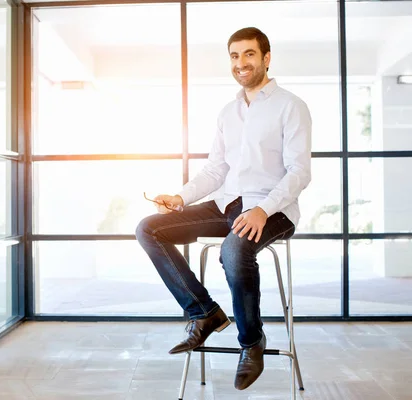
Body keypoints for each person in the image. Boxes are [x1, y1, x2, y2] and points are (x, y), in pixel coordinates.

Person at [135, 27, 312, 391]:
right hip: (228, 204)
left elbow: (300, 171)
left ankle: (252, 343)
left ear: (266, 58)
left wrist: (263, 209)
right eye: (234, 56)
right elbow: (216, 169)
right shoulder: (228, 113)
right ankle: (204, 312)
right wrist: (181, 197)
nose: (240, 63)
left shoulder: (290, 106)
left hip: (273, 208)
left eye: (249, 54)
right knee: (149, 227)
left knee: (234, 249)